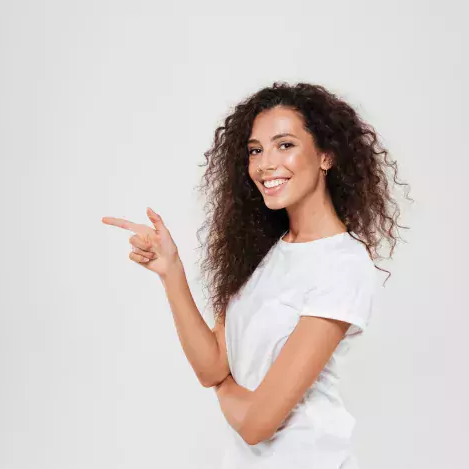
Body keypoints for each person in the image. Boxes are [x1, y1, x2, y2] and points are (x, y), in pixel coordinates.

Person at [101, 81, 411, 468]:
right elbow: (212, 365)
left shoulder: (342, 264)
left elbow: (256, 424)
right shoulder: (263, 254)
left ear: (326, 156)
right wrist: (171, 271)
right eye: (255, 150)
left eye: (285, 145)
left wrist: (223, 385)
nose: (265, 164)